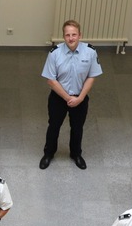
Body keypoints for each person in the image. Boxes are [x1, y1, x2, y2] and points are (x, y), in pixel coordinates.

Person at [40, 19, 103, 170]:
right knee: (54, 126)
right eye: (67, 35)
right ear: (64, 36)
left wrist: (80, 98)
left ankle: (76, 154)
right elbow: (51, 80)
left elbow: (92, 76)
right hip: (59, 98)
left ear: (80, 35)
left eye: (74, 34)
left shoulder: (90, 52)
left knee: (77, 127)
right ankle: (48, 153)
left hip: (80, 98)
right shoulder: (54, 53)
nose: (71, 38)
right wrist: (68, 98)